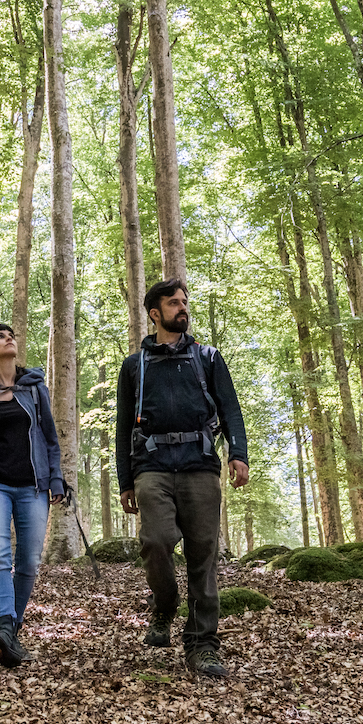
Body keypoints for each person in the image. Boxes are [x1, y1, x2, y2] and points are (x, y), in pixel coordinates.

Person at [115, 278, 249, 679]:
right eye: (174, 303)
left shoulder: (207, 357)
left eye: (184, 302)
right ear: (155, 313)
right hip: (151, 467)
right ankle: (165, 604)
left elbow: (231, 409)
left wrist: (237, 454)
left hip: (200, 465)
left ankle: (202, 645)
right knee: (155, 541)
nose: (182, 308)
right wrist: (125, 481)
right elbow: (123, 428)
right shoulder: (133, 366)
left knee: (203, 557)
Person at [0, 323, 67, 668]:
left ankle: (9, 635)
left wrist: (57, 479)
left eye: (11, 335)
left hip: (32, 486)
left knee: (29, 562)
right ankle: (4, 622)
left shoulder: (35, 389)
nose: (9, 338)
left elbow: (49, 438)